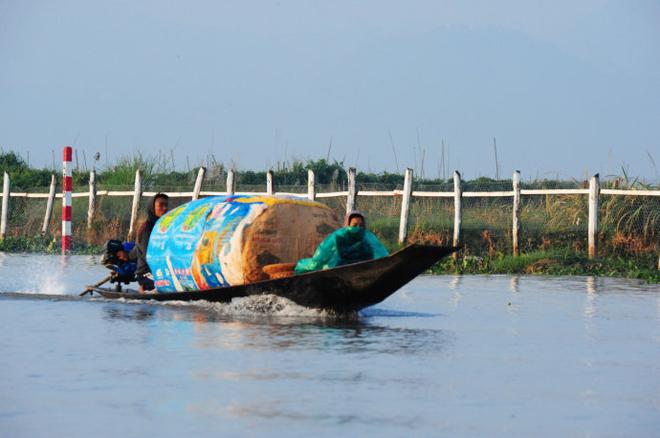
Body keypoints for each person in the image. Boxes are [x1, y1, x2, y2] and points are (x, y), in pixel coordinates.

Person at [294, 210, 388, 274]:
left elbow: (379, 253)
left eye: (361, 225)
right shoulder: (338, 237)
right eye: (354, 225)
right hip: (339, 269)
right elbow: (322, 255)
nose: (358, 228)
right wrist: (314, 267)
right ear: (348, 225)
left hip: (362, 270)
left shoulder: (367, 238)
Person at [132, 193, 169, 292]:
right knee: (169, 282)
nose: (164, 208)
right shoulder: (146, 229)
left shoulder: (163, 227)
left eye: (166, 205)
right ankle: (144, 288)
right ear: (152, 208)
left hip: (160, 270)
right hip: (146, 272)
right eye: (161, 205)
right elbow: (148, 256)